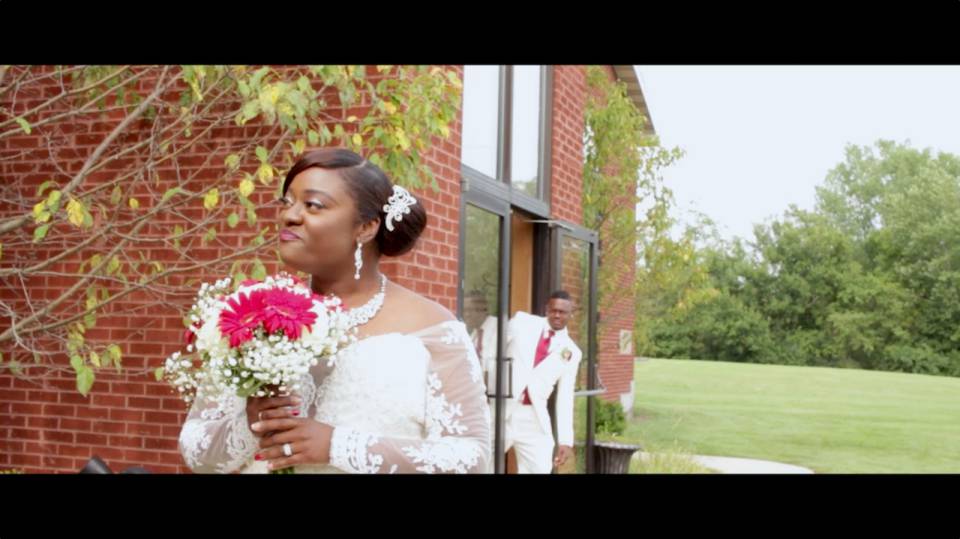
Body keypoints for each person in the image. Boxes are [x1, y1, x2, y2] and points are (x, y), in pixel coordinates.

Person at [178, 148, 491, 474]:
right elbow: (195, 450)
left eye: (313, 205)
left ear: (366, 227)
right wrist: (250, 423)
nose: (289, 216)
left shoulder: (432, 327)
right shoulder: (254, 317)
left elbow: (471, 458)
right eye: (287, 202)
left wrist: (338, 446)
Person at [502, 291, 582, 473]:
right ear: (547, 309)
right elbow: (494, 349)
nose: (557, 315)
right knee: (482, 463)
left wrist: (565, 441)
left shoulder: (572, 352)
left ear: (571, 314)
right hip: (501, 409)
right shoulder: (522, 323)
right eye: (553, 310)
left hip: (533, 417)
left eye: (562, 312)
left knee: (540, 468)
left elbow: (565, 397)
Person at [462, 290, 498, 390]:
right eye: (464, 310)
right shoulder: (473, 334)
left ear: (483, 310)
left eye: (470, 310)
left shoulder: (499, 328)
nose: (466, 315)